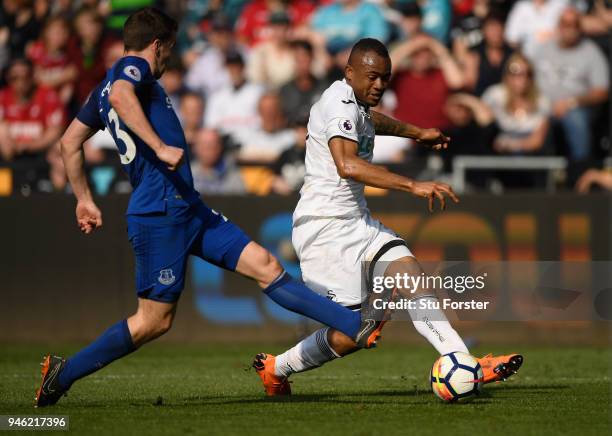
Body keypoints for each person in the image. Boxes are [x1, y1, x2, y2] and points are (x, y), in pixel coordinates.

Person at [34, 8, 387, 408]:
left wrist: (83, 199)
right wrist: (158, 145)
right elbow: (120, 95)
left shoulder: (102, 88)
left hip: (187, 206)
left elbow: (68, 143)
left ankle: (353, 324)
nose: (170, 58)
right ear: (157, 45)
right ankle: (63, 374)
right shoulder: (130, 70)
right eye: (169, 49)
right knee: (154, 321)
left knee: (266, 267)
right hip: (160, 213)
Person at [252, 38, 523, 395]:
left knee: (410, 272)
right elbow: (347, 166)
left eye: (385, 78)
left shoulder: (356, 103)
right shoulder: (336, 105)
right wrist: (413, 185)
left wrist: (416, 132)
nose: (379, 85)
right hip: (324, 231)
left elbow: (369, 120)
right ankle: (276, 368)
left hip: (357, 221)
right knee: (359, 331)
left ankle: (462, 360)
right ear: (349, 72)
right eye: (372, 77)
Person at [533, 7, 609, 162]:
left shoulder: (591, 52)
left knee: (576, 119)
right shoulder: (544, 49)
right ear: (558, 26)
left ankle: (580, 171)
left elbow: (602, 91)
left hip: (576, 108)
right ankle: (534, 176)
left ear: (580, 28)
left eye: (573, 24)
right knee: (530, 119)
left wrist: (570, 103)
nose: (569, 29)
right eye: (564, 24)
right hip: (542, 106)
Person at [390, 33, 464, 130]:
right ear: (411, 54)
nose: (422, 57)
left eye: (427, 52)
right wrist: (412, 45)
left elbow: (458, 82)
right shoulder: (401, 75)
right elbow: (385, 68)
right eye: (418, 53)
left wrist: (433, 45)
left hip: (437, 133)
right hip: (404, 135)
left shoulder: (441, 74)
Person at [482, 53, 550, 155]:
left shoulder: (542, 102)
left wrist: (510, 145)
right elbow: (482, 121)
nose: (522, 78)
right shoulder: (494, 96)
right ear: (506, 75)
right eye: (515, 71)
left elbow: (536, 142)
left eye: (528, 73)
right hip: (495, 154)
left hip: (530, 157)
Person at [0, 59, 65, 162]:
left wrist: (27, 146)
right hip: (8, 154)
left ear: (32, 76)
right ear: (8, 78)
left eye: (25, 77)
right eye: (15, 78)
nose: (21, 82)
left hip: (42, 153)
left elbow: (55, 131)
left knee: (60, 151)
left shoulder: (48, 96)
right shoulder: (2, 97)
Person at [190, 128, 245, 195]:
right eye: (204, 145)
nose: (209, 150)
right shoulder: (187, 173)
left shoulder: (231, 172)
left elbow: (239, 201)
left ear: (220, 147)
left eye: (212, 145)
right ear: (195, 148)